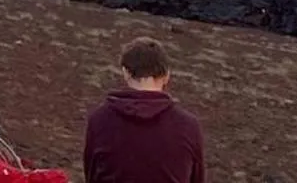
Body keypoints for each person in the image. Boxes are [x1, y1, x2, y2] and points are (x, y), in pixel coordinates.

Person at [83, 38, 207, 183]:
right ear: (166, 76)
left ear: (126, 73)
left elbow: (91, 175)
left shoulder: (99, 120)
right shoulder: (188, 126)